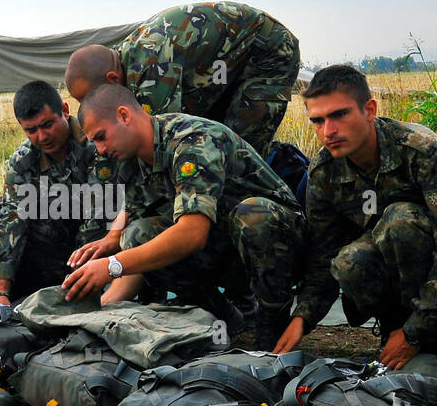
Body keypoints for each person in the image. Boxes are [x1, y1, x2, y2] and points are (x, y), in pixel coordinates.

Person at [63, 82, 305, 350]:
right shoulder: (131, 159)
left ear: (124, 115)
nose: (100, 149)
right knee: (137, 235)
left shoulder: (192, 140)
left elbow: (192, 234)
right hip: (226, 247)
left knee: (252, 216)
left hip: (280, 247)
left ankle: (272, 323)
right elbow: (134, 218)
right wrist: (111, 247)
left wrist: (112, 266)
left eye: (101, 137)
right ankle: (223, 318)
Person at [273, 65, 437, 368]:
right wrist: (302, 318)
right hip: (385, 274)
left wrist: (415, 332)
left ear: (369, 110)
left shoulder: (421, 151)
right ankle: (391, 329)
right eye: (317, 120)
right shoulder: (323, 172)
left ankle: (426, 336)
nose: (328, 131)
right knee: (348, 260)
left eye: (339, 115)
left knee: (400, 220)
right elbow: (321, 258)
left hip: (436, 272)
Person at [63, 1, 300, 156]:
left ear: (112, 79)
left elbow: (161, 139)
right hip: (228, 67)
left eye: (92, 97)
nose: (91, 106)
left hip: (268, 53)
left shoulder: (150, 65)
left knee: (238, 150)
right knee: (212, 138)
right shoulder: (126, 60)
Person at [0, 80, 107, 305]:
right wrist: (2, 293)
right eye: (31, 130)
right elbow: (12, 221)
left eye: (47, 125)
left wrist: (78, 280)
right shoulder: (23, 160)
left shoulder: (96, 143)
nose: (42, 137)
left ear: (64, 111)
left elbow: (99, 214)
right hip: (54, 247)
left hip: (100, 244)